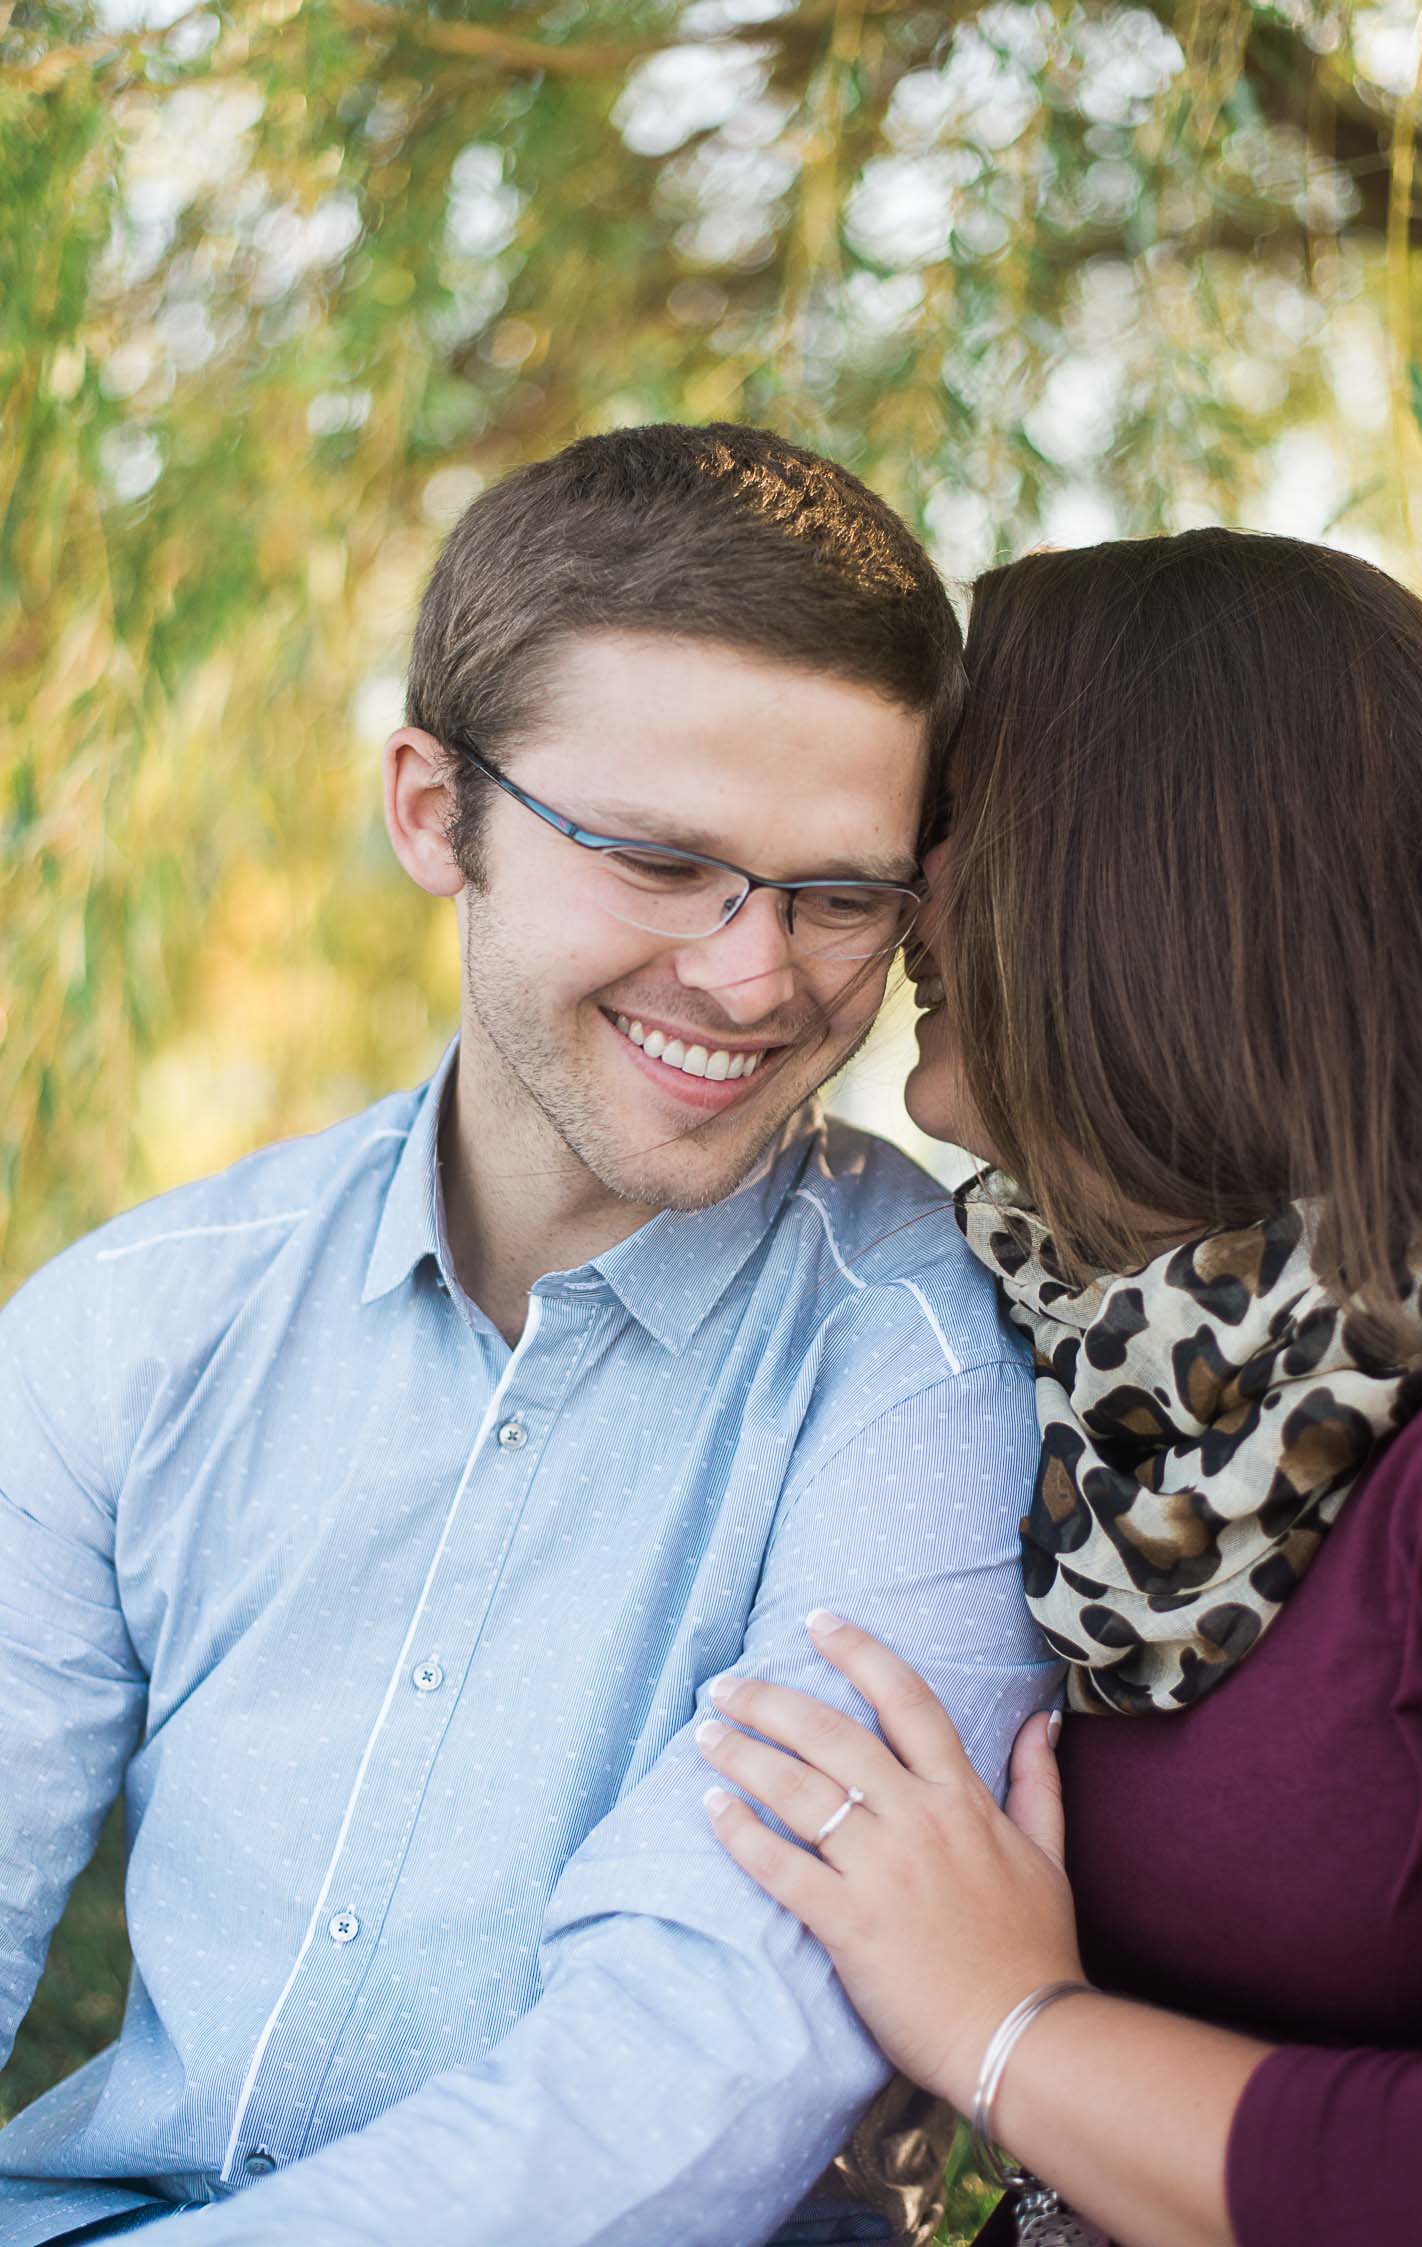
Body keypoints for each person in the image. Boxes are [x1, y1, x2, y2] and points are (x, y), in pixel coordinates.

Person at [0, 424, 1059, 2247]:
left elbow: (687, 2080)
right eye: (659, 861)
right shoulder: (135, 1325)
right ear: (435, 812)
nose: (753, 976)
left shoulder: (929, 1371)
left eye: (839, 894)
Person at [697, 528, 1422, 2245]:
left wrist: (1013, 2033)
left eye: (955, 809)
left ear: (1156, 867)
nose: (895, 878)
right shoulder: (1056, 1359)